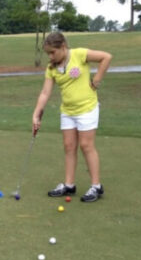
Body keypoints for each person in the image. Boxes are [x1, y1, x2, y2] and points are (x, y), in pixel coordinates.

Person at [32, 32, 112, 202]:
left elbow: (106, 57)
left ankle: (96, 186)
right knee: (69, 146)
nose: (50, 56)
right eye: (48, 53)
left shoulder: (79, 54)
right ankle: (69, 185)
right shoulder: (51, 67)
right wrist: (36, 113)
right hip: (67, 111)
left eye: (53, 52)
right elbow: (45, 92)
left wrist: (96, 80)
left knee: (86, 145)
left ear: (63, 47)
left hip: (87, 108)